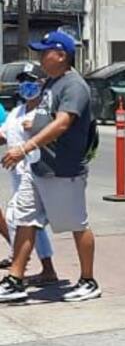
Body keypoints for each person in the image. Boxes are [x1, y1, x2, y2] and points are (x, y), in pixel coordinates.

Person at [0, 31, 99, 303]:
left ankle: (88, 280)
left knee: (77, 224)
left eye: (45, 52)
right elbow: (40, 116)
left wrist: (24, 148)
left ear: (62, 55)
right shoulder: (51, 83)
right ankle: (15, 280)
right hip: (39, 167)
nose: (41, 56)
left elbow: (64, 122)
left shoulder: (74, 86)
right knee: (25, 219)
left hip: (63, 169)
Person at [0, 69, 58, 285]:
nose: (26, 85)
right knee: (31, 223)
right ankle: (46, 269)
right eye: (23, 82)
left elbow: (60, 133)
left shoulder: (47, 113)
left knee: (19, 219)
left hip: (40, 175)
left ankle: (17, 272)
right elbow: (4, 135)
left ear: (42, 83)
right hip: (19, 176)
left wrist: (38, 127)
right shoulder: (17, 112)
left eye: (31, 81)